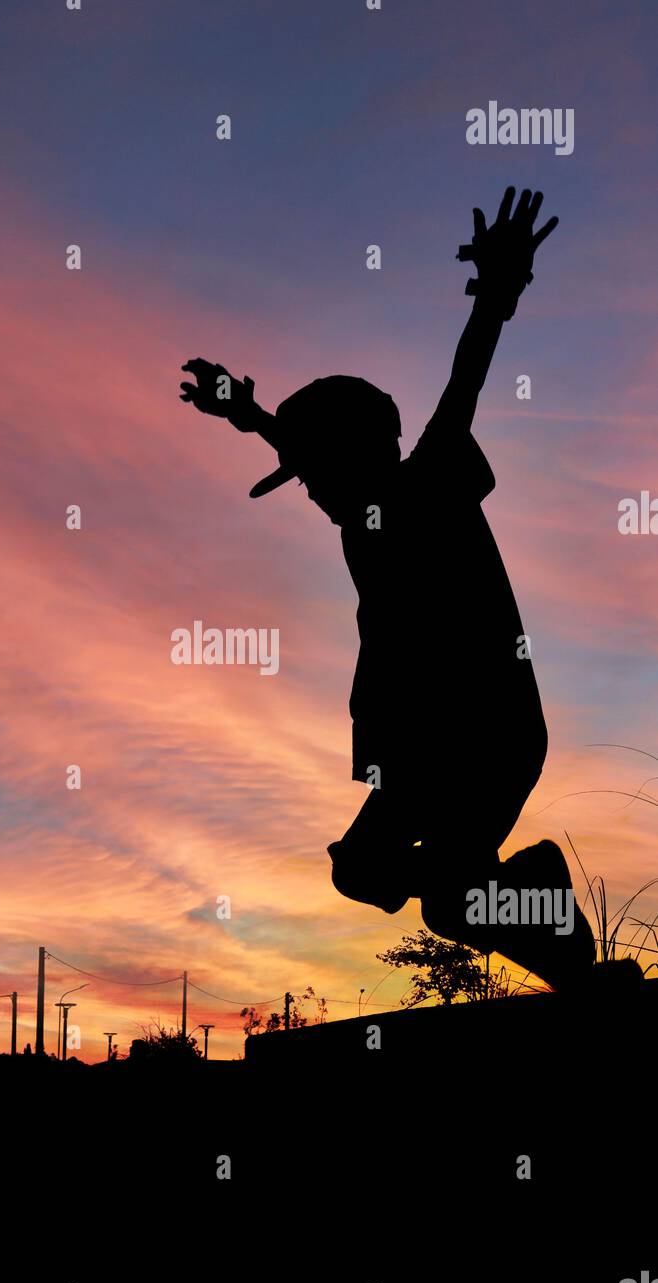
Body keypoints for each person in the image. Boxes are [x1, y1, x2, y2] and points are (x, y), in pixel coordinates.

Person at [179, 187, 597, 990]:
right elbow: (310, 449)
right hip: (416, 749)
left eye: (315, 476)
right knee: (363, 872)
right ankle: (522, 897)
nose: (310, 495)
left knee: (446, 904)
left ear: (360, 457)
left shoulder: (429, 480)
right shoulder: (357, 516)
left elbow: (465, 381)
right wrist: (253, 415)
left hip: (487, 735)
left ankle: (546, 926)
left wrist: (498, 293)